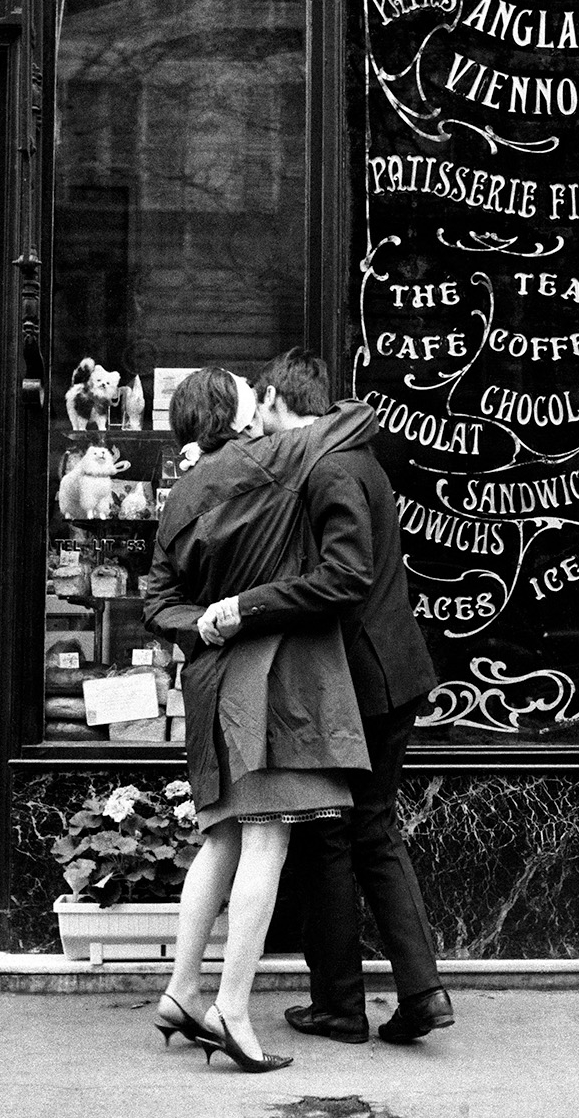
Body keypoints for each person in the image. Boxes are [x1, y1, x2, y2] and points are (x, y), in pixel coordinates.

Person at [198, 348, 453, 1045]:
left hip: (364, 680)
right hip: (387, 673)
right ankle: (419, 992)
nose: (263, 427)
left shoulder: (331, 466)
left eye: (265, 410)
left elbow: (345, 576)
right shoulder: (350, 451)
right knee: (368, 833)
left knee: (333, 836)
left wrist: (247, 605)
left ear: (281, 402)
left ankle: (343, 1003)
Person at [143, 367, 374, 1072]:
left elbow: (156, 601)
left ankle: (183, 990)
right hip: (267, 677)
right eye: (251, 397)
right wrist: (282, 412)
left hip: (210, 678)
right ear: (240, 411)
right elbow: (359, 417)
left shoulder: (179, 493)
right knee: (268, 842)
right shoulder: (270, 457)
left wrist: (202, 624)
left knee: (221, 839)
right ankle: (232, 1009)